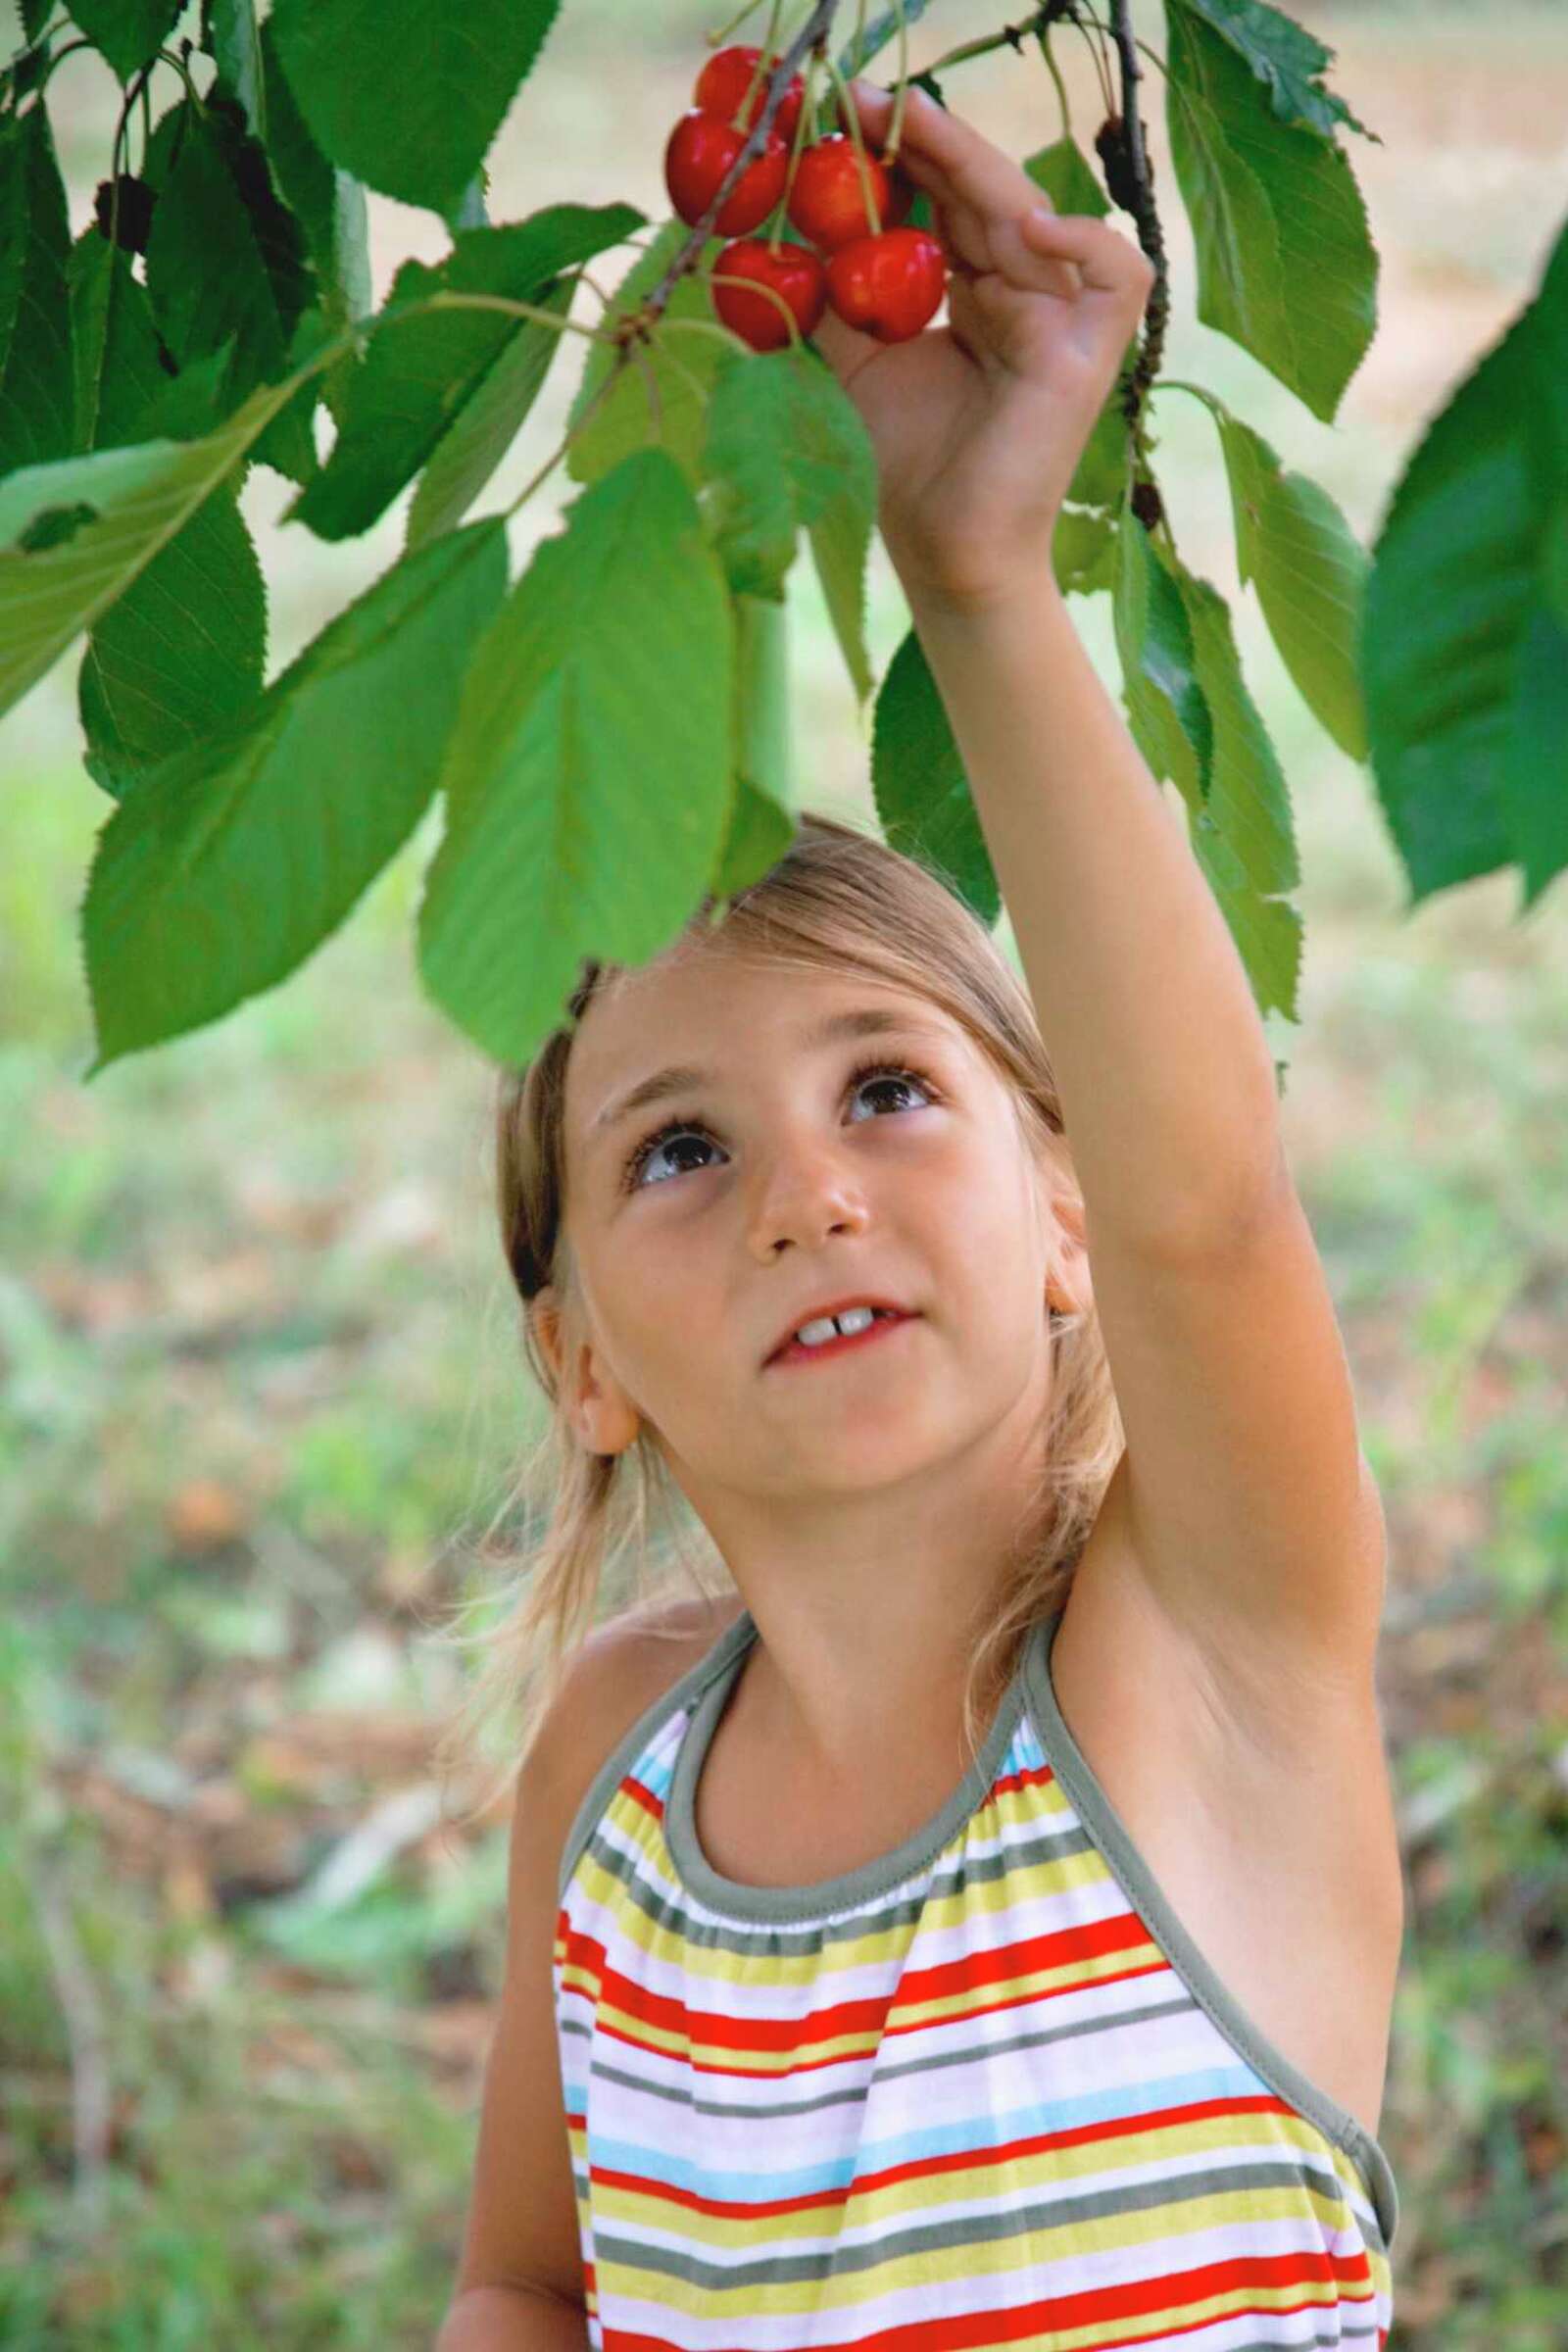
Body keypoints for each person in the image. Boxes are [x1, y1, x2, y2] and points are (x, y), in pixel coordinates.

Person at [435, 77, 1403, 2352]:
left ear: (1061, 1209)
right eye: (675, 1150)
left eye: (889, 1088)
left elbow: (1214, 1220)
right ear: (577, 1362)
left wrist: (975, 562)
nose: (807, 1196)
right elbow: (522, 2280)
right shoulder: (614, 1771)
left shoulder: (1201, 1669)